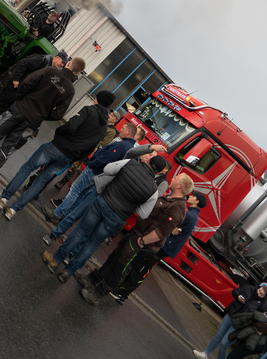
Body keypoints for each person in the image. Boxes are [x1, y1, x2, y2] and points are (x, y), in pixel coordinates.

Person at [0, 57, 85, 189]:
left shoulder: (50, 71)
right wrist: (41, 115)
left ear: (68, 64)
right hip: (31, 124)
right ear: (77, 73)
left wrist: (20, 100)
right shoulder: (70, 91)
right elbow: (58, 114)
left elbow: (27, 83)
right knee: (5, 152)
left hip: (18, 111)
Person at [0, 90, 116, 220]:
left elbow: (70, 126)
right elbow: (90, 149)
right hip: (69, 156)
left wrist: (59, 133)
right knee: (41, 181)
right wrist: (74, 158)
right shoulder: (104, 127)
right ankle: (13, 210)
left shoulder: (89, 110)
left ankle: (4, 197)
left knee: (28, 168)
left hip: (58, 146)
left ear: (98, 99)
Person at [41, 153, 167, 282]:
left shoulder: (130, 163)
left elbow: (108, 169)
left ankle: (55, 260)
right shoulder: (153, 190)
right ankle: (67, 272)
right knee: (92, 243)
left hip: (103, 202)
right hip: (118, 217)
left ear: (149, 161)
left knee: (80, 231)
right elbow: (143, 214)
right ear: (158, 172)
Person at [77, 172, 193, 305]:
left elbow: (162, 232)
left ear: (179, 186)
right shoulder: (170, 198)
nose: (172, 179)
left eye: (176, 179)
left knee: (120, 267)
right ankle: (92, 280)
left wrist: (144, 241)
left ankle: (98, 294)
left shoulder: (177, 208)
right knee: (115, 257)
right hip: (136, 235)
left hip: (143, 244)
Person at [40, 123, 164, 233]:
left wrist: (92, 163)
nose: (120, 129)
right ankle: (63, 218)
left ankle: (57, 215)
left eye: (124, 128)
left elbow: (106, 160)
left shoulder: (126, 148)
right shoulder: (130, 151)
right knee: (80, 197)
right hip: (103, 183)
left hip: (98, 176)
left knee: (75, 191)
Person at [106, 190, 207, 304]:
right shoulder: (194, 216)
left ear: (197, 201)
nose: (190, 196)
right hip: (168, 248)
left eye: (193, 196)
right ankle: (121, 290)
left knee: (140, 269)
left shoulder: (189, 215)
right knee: (140, 267)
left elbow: (169, 226)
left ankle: (122, 293)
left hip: (164, 246)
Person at [0, 51, 69, 122]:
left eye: (64, 64)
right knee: (0, 101)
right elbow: (24, 63)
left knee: (9, 109)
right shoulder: (42, 60)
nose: (62, 65)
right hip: (16, 86)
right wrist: (16, 79)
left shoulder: (49, 68)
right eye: (62, 62)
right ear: (56, 58)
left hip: (22, 90)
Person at [192, 284, 267, 359]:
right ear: (259, 287)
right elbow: (235, 291)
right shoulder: (249, 288)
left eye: (261, 294)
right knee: (218, 336)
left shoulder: (261, 305)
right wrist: (238, 296)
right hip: (230, 315)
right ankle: (205, 353)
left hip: (239, 325)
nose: (258, 293)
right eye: (259, 290)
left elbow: (257, 317)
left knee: (224, 344)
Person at [53, 109, 120, 190]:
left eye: (112, 116)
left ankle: (63, 181)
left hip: (88, 149)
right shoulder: (102, 123)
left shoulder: (111, 131)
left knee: (74, 165)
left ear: (115, 120)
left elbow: (103, 143)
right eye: (110, 114)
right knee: (66, 159)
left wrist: (93, 146)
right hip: (81, 143)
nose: (109, 115)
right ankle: (53, 173)